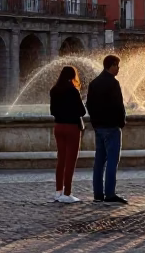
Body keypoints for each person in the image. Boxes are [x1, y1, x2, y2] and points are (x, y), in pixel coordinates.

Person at [87, 54, 127, 204]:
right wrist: (121, 121)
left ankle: (98, 193)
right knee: (112, 160)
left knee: (99, 161)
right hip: (111, 127)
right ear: (112, 65)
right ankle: (110, 193)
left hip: (98, 127)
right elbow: (118, 105)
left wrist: (95, 121)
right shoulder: (113, 83)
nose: (119, 69)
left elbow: (89, 105)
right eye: (117, 66)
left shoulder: (94, 83)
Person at [50, 64, 86, 202]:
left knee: (61, 160)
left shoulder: (54, 90)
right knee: (70, 160)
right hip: (72, 127)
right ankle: (67, 193)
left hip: (58, 127)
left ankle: (58, 191)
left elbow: (52, 111)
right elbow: (82, 112)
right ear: (72, 76)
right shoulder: (73, 91)